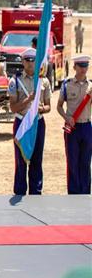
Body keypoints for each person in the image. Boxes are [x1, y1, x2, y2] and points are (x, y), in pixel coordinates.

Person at [9, 48, 52, 195]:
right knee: (21, 160)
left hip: (38, 122)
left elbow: (48, 107)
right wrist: (28, 100)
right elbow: (13, 107)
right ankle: (20, 191)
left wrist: (42, 108)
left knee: (37, 158)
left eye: (33, 60)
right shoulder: (15, 80)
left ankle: (36, 192)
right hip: (22, 122)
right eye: (27, 60)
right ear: (22, 61)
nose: (30, 63)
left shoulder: (43, 81)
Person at [57, 55, 91, 194]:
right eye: (81, 66)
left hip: (86, 126)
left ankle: (85, 192)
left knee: (85, 161)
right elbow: (59, 107)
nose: (83, 69)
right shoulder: (67, 84)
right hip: (72, 127)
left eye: (86, 66)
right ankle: (73, 192)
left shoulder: (91, 86)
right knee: (72, 160)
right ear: (74, 67)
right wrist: (67, 117)